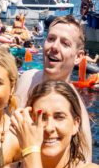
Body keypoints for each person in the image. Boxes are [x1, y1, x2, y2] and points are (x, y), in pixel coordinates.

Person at [14, 15, 91, 151]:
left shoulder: (76, 111)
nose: (54, 47)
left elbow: (83, 166)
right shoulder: (26, 78)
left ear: (78, 57)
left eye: (65, 43)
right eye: (51, 39)